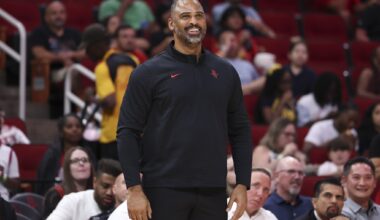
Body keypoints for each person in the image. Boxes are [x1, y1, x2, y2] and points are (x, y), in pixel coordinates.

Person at [117, 0, 253, 219]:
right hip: (163, 188)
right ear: (171, 24)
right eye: (185, 16)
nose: (194, 22)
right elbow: (127, 131)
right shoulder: (147, 73)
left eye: (199, 16)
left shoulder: (225, 72)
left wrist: (242, 183)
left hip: (213, 190)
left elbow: (240, 130)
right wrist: (134, 189)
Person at [81, 24, 138, 160]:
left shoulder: (102, 67)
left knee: (113, 179)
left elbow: (110, 101)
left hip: (113, 135)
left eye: (87, 48)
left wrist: (91, 98)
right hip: (138, 133)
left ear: (98, 45)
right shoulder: (133, 60)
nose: (86, 53)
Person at [29, 0, 85, 118]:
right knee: (75, 72)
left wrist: (70, 55)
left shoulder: (74, 33)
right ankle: (81, 114)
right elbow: (39, 53)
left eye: (61, 12)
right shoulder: (39, 33)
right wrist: (61, 58)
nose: (58, 16)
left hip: (73, 68)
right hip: (50, 73)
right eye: (54, 13)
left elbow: (85, 52)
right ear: (46, 17)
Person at [47, 159, 122, 220]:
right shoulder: (72, 201)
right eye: (105, 186)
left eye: (114, 188)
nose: (109, 193)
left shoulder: (123, 208)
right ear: (95, 182)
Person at [35, 113, 87, 195]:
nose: (75, 129)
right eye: (69, 127)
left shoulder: (88, 153)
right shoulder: (52, 154)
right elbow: (44, 184)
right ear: (61, 131)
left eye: (78, 126)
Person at [43, 146, 95, 218]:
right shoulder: (55, 195)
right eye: (75, 161)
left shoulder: (97, 193)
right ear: (68, 168)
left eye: (85, 160)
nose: (81, 163)